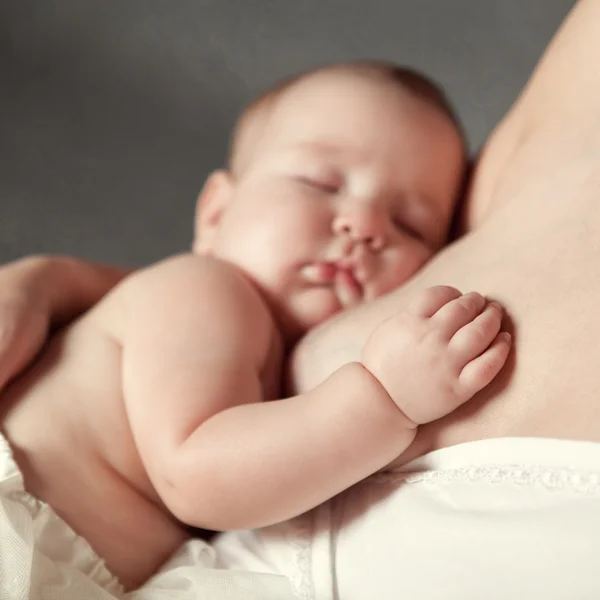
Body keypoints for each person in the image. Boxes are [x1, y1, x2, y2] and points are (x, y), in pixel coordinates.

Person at [5, 0, 600, 595]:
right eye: (321, 183)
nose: (364, 224)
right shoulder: (203, 292)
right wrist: (384, 397)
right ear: (216, 212)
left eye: (411, 224)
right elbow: (197, 473)